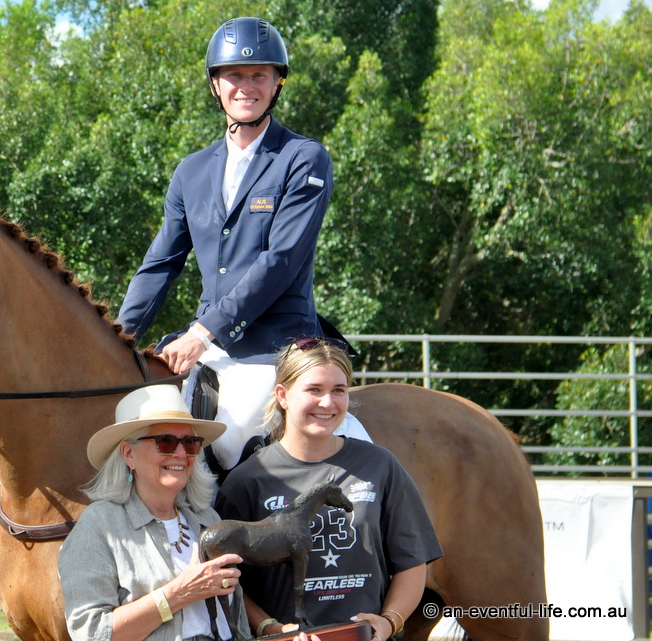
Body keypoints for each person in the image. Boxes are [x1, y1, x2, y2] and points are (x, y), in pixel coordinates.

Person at [116, 17, 351, 471]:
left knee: (235, 427)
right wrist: (118, 341)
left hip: (275, 346)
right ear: (215, 86)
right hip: (209, 344)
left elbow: (281, 260)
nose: (246, 86)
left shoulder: (303, 158)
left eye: (258, 75)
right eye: (234, 76)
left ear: (277, 83)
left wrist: (203, 333)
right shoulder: (192, 170)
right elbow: (161, 263)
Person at [214, 338, 443, 641]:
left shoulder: (380, 465)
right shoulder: (246, 481)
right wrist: (268, 628)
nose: (328, 403)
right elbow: (229, 581)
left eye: (339, 390)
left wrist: (389, 622)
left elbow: (412, 561)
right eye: (314, 390)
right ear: (282, 395)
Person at [58, 385, 252, 641]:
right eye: (166, 442)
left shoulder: (207, 518)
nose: (181, 453)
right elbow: (91, 633)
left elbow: (236, 615)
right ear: (129, 454)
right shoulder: (99, 525)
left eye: (190, 442)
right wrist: (181, 592)